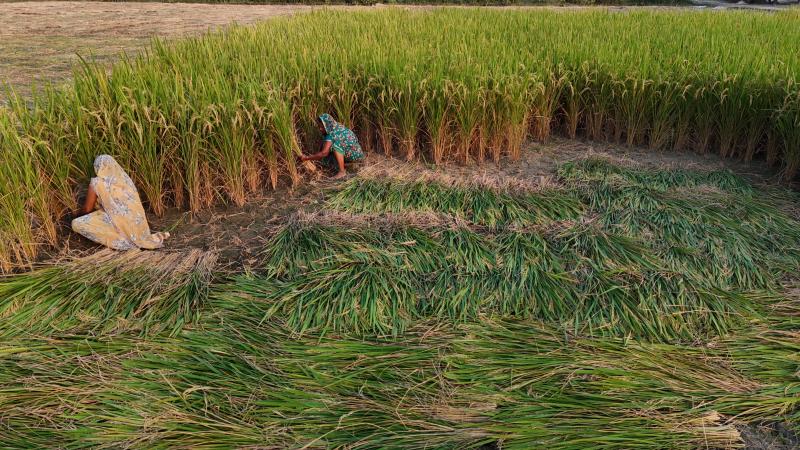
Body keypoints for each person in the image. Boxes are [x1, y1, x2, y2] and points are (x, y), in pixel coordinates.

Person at [71, 155, 169, 250]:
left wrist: (77, 215)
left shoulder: (97, 183)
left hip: (117, 222)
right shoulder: (125, 181)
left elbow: (87, 209)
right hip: (137, 227)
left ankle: (121, 240)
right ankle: (127, 236)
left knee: (76, 223)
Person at [300, 113, 365, 179]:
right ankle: (348, 165)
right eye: (319, 126)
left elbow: (324, 153)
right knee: (330, 149)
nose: (320, 129)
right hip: (358, 154)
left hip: (353, 156)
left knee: (334, 146)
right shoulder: (338, 126)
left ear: (327, 125)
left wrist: (306, 158)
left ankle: (342, 172)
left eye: (322, 127)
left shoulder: (331, 135)